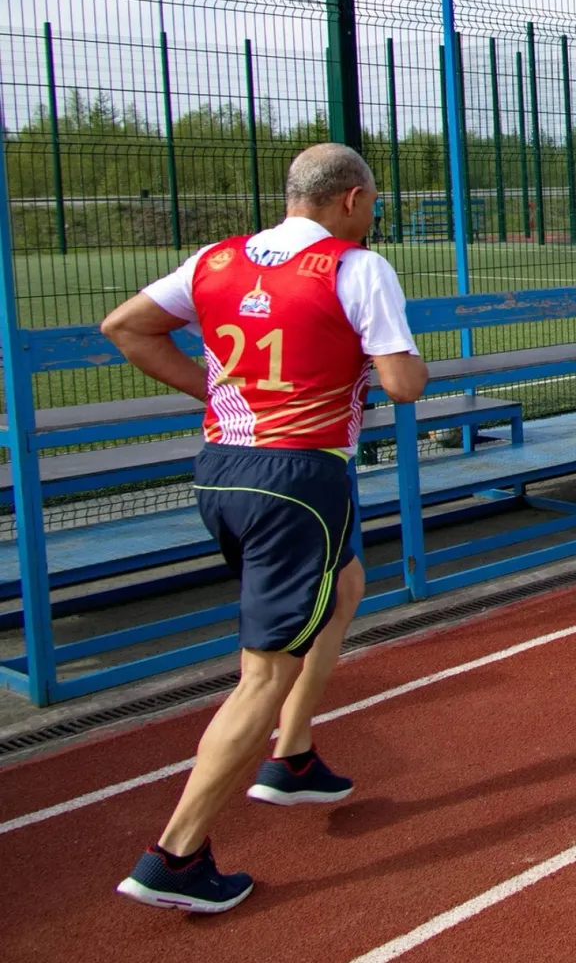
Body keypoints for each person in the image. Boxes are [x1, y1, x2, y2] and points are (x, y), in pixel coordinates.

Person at [100, 143, 427, 913]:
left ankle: (294, 754)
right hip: (300, 480)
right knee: (264, 672)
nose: (372, 217)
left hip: (222, 468)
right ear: (350, 199)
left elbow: (126, 325)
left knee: (345, 585)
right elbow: (402, 384)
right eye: (372, 204)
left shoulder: (216, 261)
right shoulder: (356, 267)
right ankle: (175, 855)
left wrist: (212, 388)